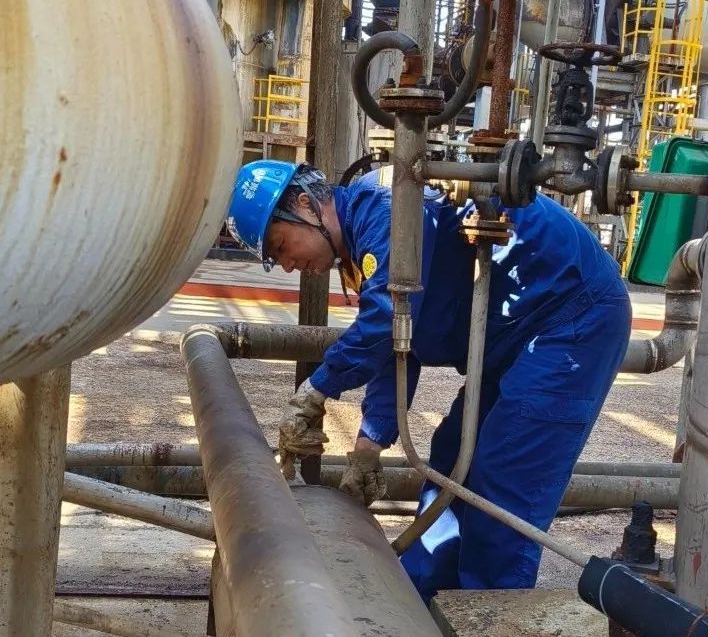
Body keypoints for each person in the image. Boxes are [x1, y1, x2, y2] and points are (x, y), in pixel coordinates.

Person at [226, 158, 631, 601]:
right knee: (452, 457)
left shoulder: (386, 207)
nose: (288, 265)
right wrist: (368, 446)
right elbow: (398, 345)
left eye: (281, 246)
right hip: (513, 335)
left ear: (306, 205)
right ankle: (421, 600)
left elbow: (383, 321)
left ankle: (488, 613)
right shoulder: (364, 237)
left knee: (504, 476)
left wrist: (316, 390)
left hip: (570, 318)